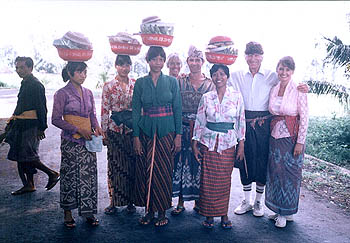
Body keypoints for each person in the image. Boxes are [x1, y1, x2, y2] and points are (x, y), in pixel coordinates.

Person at [229, 42, 308, 217]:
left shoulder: (271, 76)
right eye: (250, 55)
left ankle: (258, 202)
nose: (253, 59)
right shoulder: (236, 76)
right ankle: (246, 200)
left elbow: (288, 81)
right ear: (245, 57)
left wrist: (303, 87)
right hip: (245, 122)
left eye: (257, 55)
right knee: (245, 159)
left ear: (262, 57)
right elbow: (217, 79)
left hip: (265, 125)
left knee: (263, 160)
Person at [132, 46, 182, 227]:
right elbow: (136, 111)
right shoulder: (140, 83)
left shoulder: (172, 82)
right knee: (146, 170)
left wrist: (178, 135)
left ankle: (162, 212)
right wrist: (136, 136)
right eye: (154, 59)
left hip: (167, 131)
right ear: (148, 61)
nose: (158, 63)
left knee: (163, 171)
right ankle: (148, 210)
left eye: (161, 59)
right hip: (145, 131)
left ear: (164, 62)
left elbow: (177, 109)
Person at [192, 64, 245, 229]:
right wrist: (195, 142)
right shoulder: (207, 97)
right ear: (212, 77)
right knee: (208, 179)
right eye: (215, 74)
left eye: (222, 74)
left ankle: (223, 214)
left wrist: (241, 144)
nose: (219, 77)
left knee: (223, 180)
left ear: (227, 77)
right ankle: (208, 215)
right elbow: (200, 120)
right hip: (208, 142)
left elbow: (240, 121)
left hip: (228, 143)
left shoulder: (236, 96)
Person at [52, 61, 103, 228]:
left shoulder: (88, 93)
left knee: (88, 176)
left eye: (85, 72)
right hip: (70, 142)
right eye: (80, 72)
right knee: (69, 176)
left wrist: (96, 126)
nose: (83, 75)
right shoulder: (61, 94)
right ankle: (67, 212)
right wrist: (78, 129)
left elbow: (92, 114)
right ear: (70, 72)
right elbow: (56, 119)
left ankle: (88, 212)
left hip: (87, 142)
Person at [6, 56, 60, 195]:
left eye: (22, 67)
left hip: (31, 125)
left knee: (28, 156)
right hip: (21, 124)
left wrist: (42, 127)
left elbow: (42, 107)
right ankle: (29, 185)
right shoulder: (25, 83)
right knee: (20, 155)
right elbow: (20, 106)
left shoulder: (35, 84)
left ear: (30, 68)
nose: (19, 70)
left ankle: (52, 173)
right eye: (17, 67)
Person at [265, 56, 309, 228]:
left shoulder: (299, 89)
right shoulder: (274, 88)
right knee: (275, 173)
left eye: (287, 70)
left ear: (292, 72)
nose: (283, 73)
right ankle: (277, 209)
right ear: (277, 70)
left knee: (289, 175)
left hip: (291, 138)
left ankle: (286, 212)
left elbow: (304, 117)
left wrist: (300, 142)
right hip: (275, 137)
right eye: (281, 69)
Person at [171, 46, 214, 216]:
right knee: (181, 164)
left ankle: (199, 201)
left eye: (198, 60)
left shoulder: (210, 84)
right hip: (181, 128)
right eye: (191, 60)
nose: (194, 63)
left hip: (201, 130)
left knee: (199, 164)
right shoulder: (180, 82)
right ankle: (180, 202)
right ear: (187, 62)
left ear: (202, 63)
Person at [101, 55, 136, 215]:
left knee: (130, 165)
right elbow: (104, 110)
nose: (124, 68)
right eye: (121, 65)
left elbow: (139, 108)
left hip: (130, 130)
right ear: (116, 66)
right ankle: (113, 201)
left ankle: (130, 201)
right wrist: (104, 132)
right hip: (114, 129)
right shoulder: (108, 86)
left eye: (127, 64)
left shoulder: (135, 84)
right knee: (114, 165)